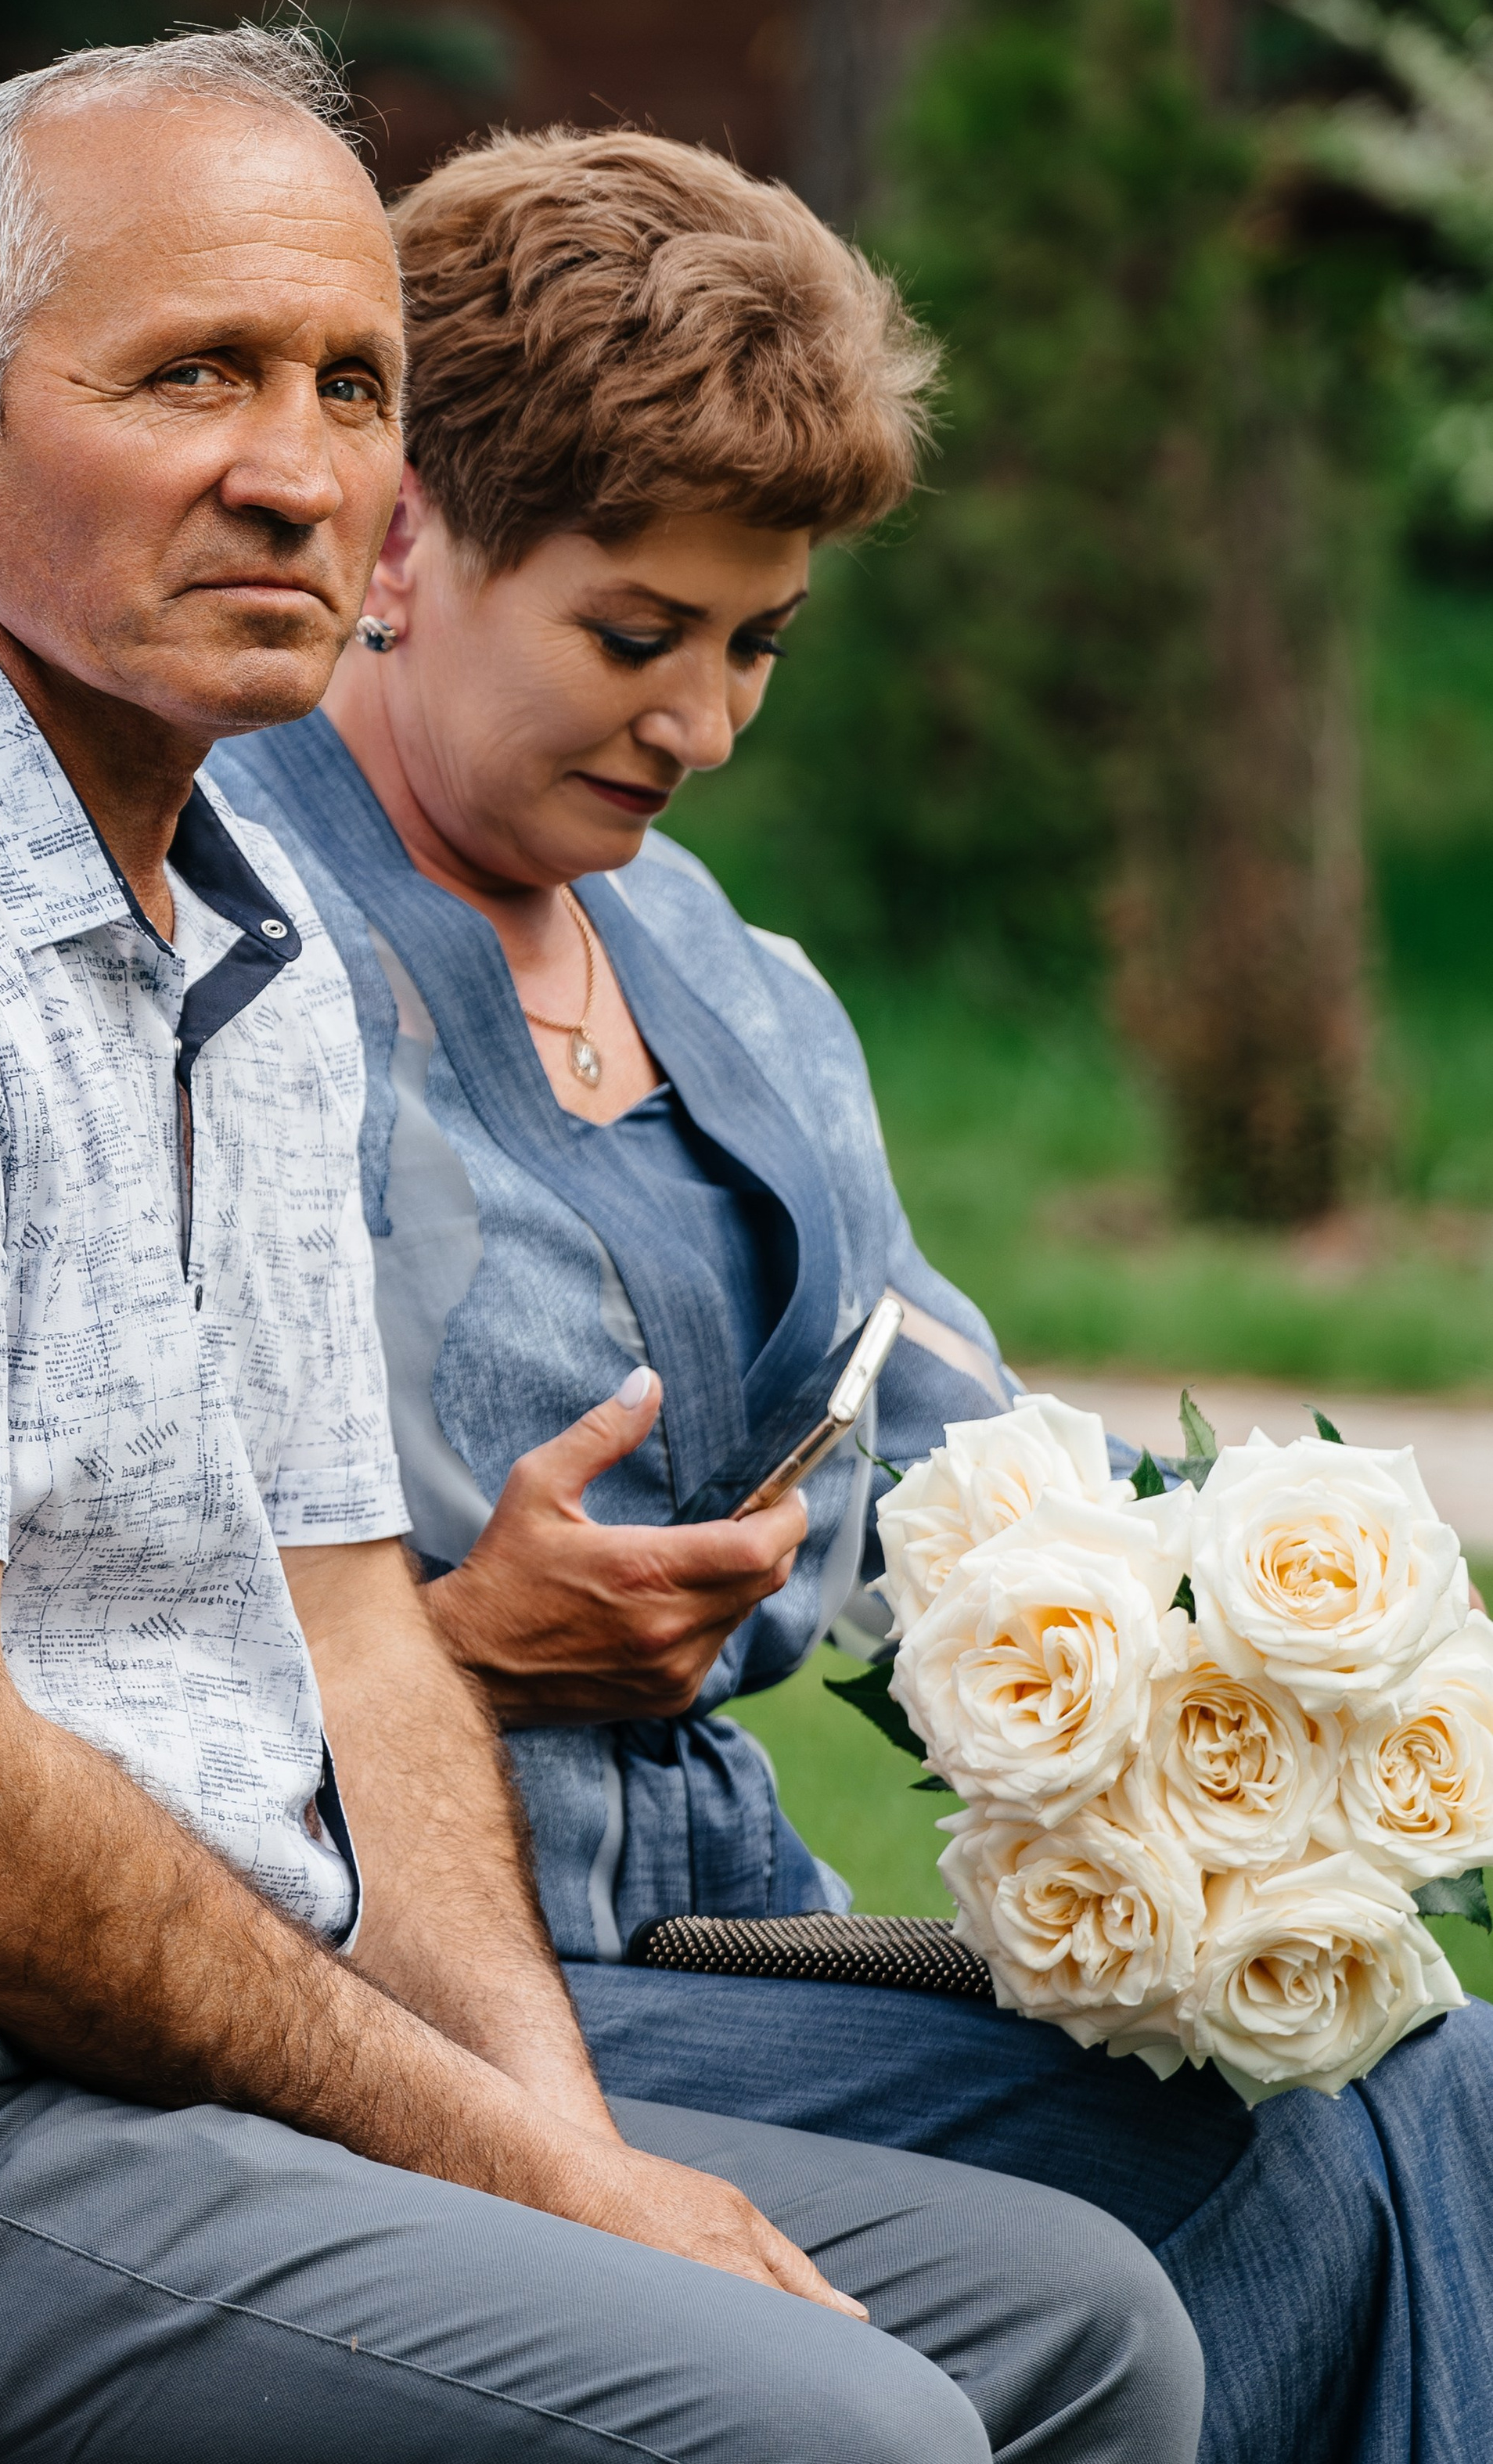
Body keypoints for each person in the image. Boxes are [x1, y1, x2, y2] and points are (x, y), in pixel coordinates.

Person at [0, 36, 1200, 2464]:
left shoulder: (245, 934)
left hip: (126, 2052)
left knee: (1068, 2319)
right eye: (192, 374)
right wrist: (533, 2177)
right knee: (828, 2429)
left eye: (350, 387)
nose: (294, 470)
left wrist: (563, 2152)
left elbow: (346, 1639)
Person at [210, 121, 1493, 2464]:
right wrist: (456, 1646)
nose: (697, 725)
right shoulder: (210, 950)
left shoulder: (734, 979)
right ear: (405, 541)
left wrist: (1315, 1681)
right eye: (634, 634)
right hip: (388, 1959)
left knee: (1407, 2041)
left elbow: (972, 1460)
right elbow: (32, 1640)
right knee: (1225, 2153)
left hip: (729, 1923)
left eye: (754, 645)